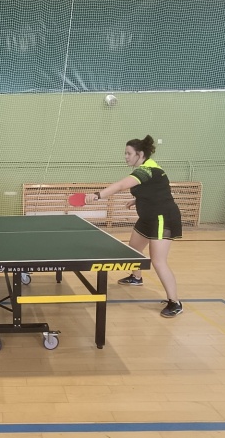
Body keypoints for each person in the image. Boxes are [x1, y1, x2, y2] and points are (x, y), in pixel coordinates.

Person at [85, 135, 183, 318]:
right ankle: (136, 277)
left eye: (129, 153)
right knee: (134, 249)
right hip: (147, 217)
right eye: (125, 153)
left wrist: (97, 195)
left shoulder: (147, 170)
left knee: (158, 261)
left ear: (141, 154)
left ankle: (175, 302)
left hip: (162, 218)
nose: (126, 157)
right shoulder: (147, 169)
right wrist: (137, 199)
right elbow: (156, 190)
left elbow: (121, 185)